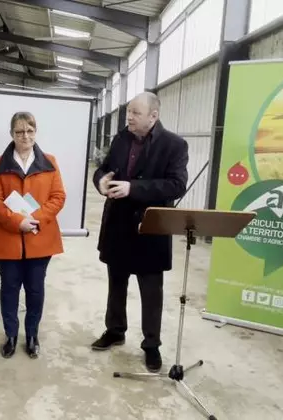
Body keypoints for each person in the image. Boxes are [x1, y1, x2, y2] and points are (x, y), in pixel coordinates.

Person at [90, 91, 188, 373]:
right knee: (116, 284)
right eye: (128, 112)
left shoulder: (174, 145)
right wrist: (101, 181)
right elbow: (105, 169)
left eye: (134, 113)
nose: (128, 118)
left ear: (153, 116)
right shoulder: (121, 138)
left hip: (150, 229)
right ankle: (115, 330)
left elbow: (176, 185)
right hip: (118, 225)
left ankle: (151, 345)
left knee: (151, 291)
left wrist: (134, 188)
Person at [0, 111, 66, 359]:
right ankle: (11, 335)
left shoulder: (50, 162)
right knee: (9, 289)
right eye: (19, 131)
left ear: (35, 132)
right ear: (11, 134)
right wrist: (17, 222)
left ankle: (32, 335)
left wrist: (36, 219)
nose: (25, 136)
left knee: (35, 289)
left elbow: (58, 197)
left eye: (30, 130)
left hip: (40, 238)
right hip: (8, 237)